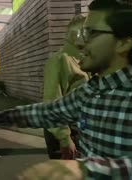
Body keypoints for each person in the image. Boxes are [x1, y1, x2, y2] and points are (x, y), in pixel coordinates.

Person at [0, 0, 132, 179]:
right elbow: (48, 112)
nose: (80, 43)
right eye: (81, 33)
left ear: (123, 43)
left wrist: (88, 170)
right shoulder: (89, 92)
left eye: (91, 33)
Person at [43, 15, 89, 160]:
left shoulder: (83, 60)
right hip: (67, 134)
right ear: (76, 34)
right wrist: (64, 138)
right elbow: (51, 101)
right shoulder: (60, 60)